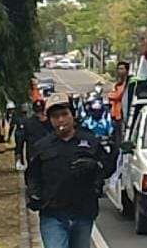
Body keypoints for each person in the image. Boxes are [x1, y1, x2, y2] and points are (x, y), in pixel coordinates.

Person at [26, 94, 114, 248]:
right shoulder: (42, 146)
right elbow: (33, 175)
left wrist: (94, 165)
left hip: (83, 212)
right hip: (52, 214)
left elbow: (108, 167)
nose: (61, 120)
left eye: (64, 114)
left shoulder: (90, 141)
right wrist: (34, 194)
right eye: (55, 116)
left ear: (73, 115)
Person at [15, 99, 53, 170]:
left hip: (46, 154)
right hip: (35, 154)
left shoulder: (51, 122)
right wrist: (19, 156)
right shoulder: (28, 123)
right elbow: (21, 140)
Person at [107, 61, 129, 144]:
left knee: (120, 138)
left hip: (122, 115)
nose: (119, 71)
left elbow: (117, 95)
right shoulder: (119, 83)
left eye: (122, 69)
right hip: (115, 114)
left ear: (127, 70)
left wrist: (111, 94)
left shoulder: (127, 83)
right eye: (118, 69)